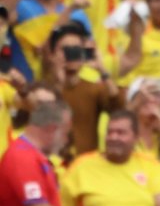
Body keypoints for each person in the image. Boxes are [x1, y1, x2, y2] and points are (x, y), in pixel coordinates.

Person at [47, 22, 122, 155]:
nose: (71, 55)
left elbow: (118, 110)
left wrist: (102, 69)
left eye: (76, 49)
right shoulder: (44, 90)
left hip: (86, 165)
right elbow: (48, 119)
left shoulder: (92, 89)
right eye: (65, 50)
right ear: (52, 54)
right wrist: (59, 83)